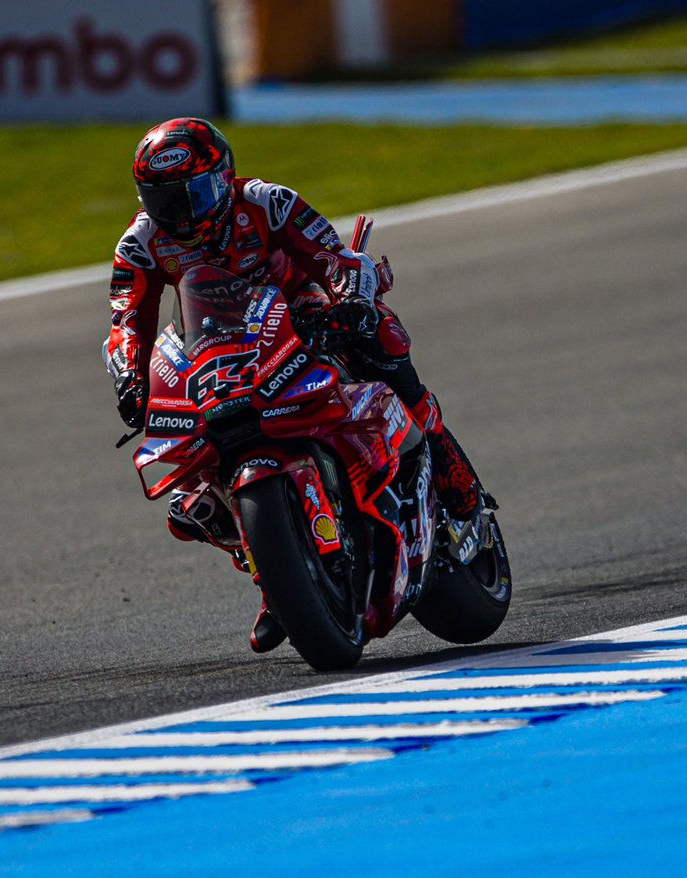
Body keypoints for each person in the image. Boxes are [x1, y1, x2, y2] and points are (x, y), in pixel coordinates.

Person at [103, 117, 485, 652]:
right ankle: (278, 576)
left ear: (224, 178)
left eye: (194, 195)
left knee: (381, 341)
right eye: (165, 201)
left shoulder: (267, 202)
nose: (183, 214)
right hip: (215, 344)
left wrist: (351, 299)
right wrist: (129, 377)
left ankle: (452, 474)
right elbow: (127, 322)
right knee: (191, 492)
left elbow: (335, 257)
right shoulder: (141, 242)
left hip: (301, 313)